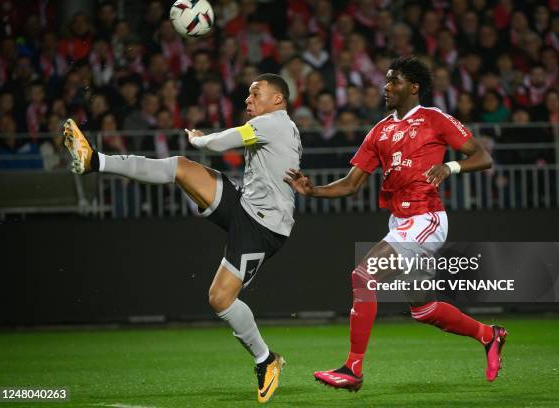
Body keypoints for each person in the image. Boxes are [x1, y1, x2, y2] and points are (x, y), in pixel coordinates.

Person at [63, 73, 302, 403]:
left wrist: (202, 140)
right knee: (181, 168)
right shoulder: (275, 125)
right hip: (246, 206)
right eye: (248, 94)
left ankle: (266, 359)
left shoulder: (275, 122)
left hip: (264, 227)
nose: (248, 100)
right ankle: (95, 160)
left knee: (220, 299)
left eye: (255, 94)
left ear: (278, 99)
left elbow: (221, 143)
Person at [284, 56, 507, 391]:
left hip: (426, 217)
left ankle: (353, 368)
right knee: (423, 307)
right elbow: (350, 183)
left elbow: (482, 156)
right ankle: (490, 336)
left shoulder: (435, 119)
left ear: (413, 87)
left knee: (364, 276)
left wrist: (450, 168)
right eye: (386, 81)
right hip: (400, 222)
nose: (386, 87)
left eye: (394, 81)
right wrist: (313, 190)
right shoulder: (380, 130)